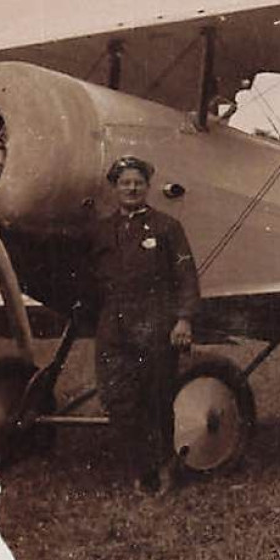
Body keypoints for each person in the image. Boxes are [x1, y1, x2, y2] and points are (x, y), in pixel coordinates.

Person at [87, 155, 201, 495]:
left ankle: (165, 468)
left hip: (155, 326)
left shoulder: (167, 227)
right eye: (125, 183)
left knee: (156, 399)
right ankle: (140, 469)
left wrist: (184, 319)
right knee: (118, 399)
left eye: (137, 182)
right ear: (115, 188)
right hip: (114, 328)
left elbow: (186, 275)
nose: (131, 188)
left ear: (147, 187)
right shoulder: (102, 230)